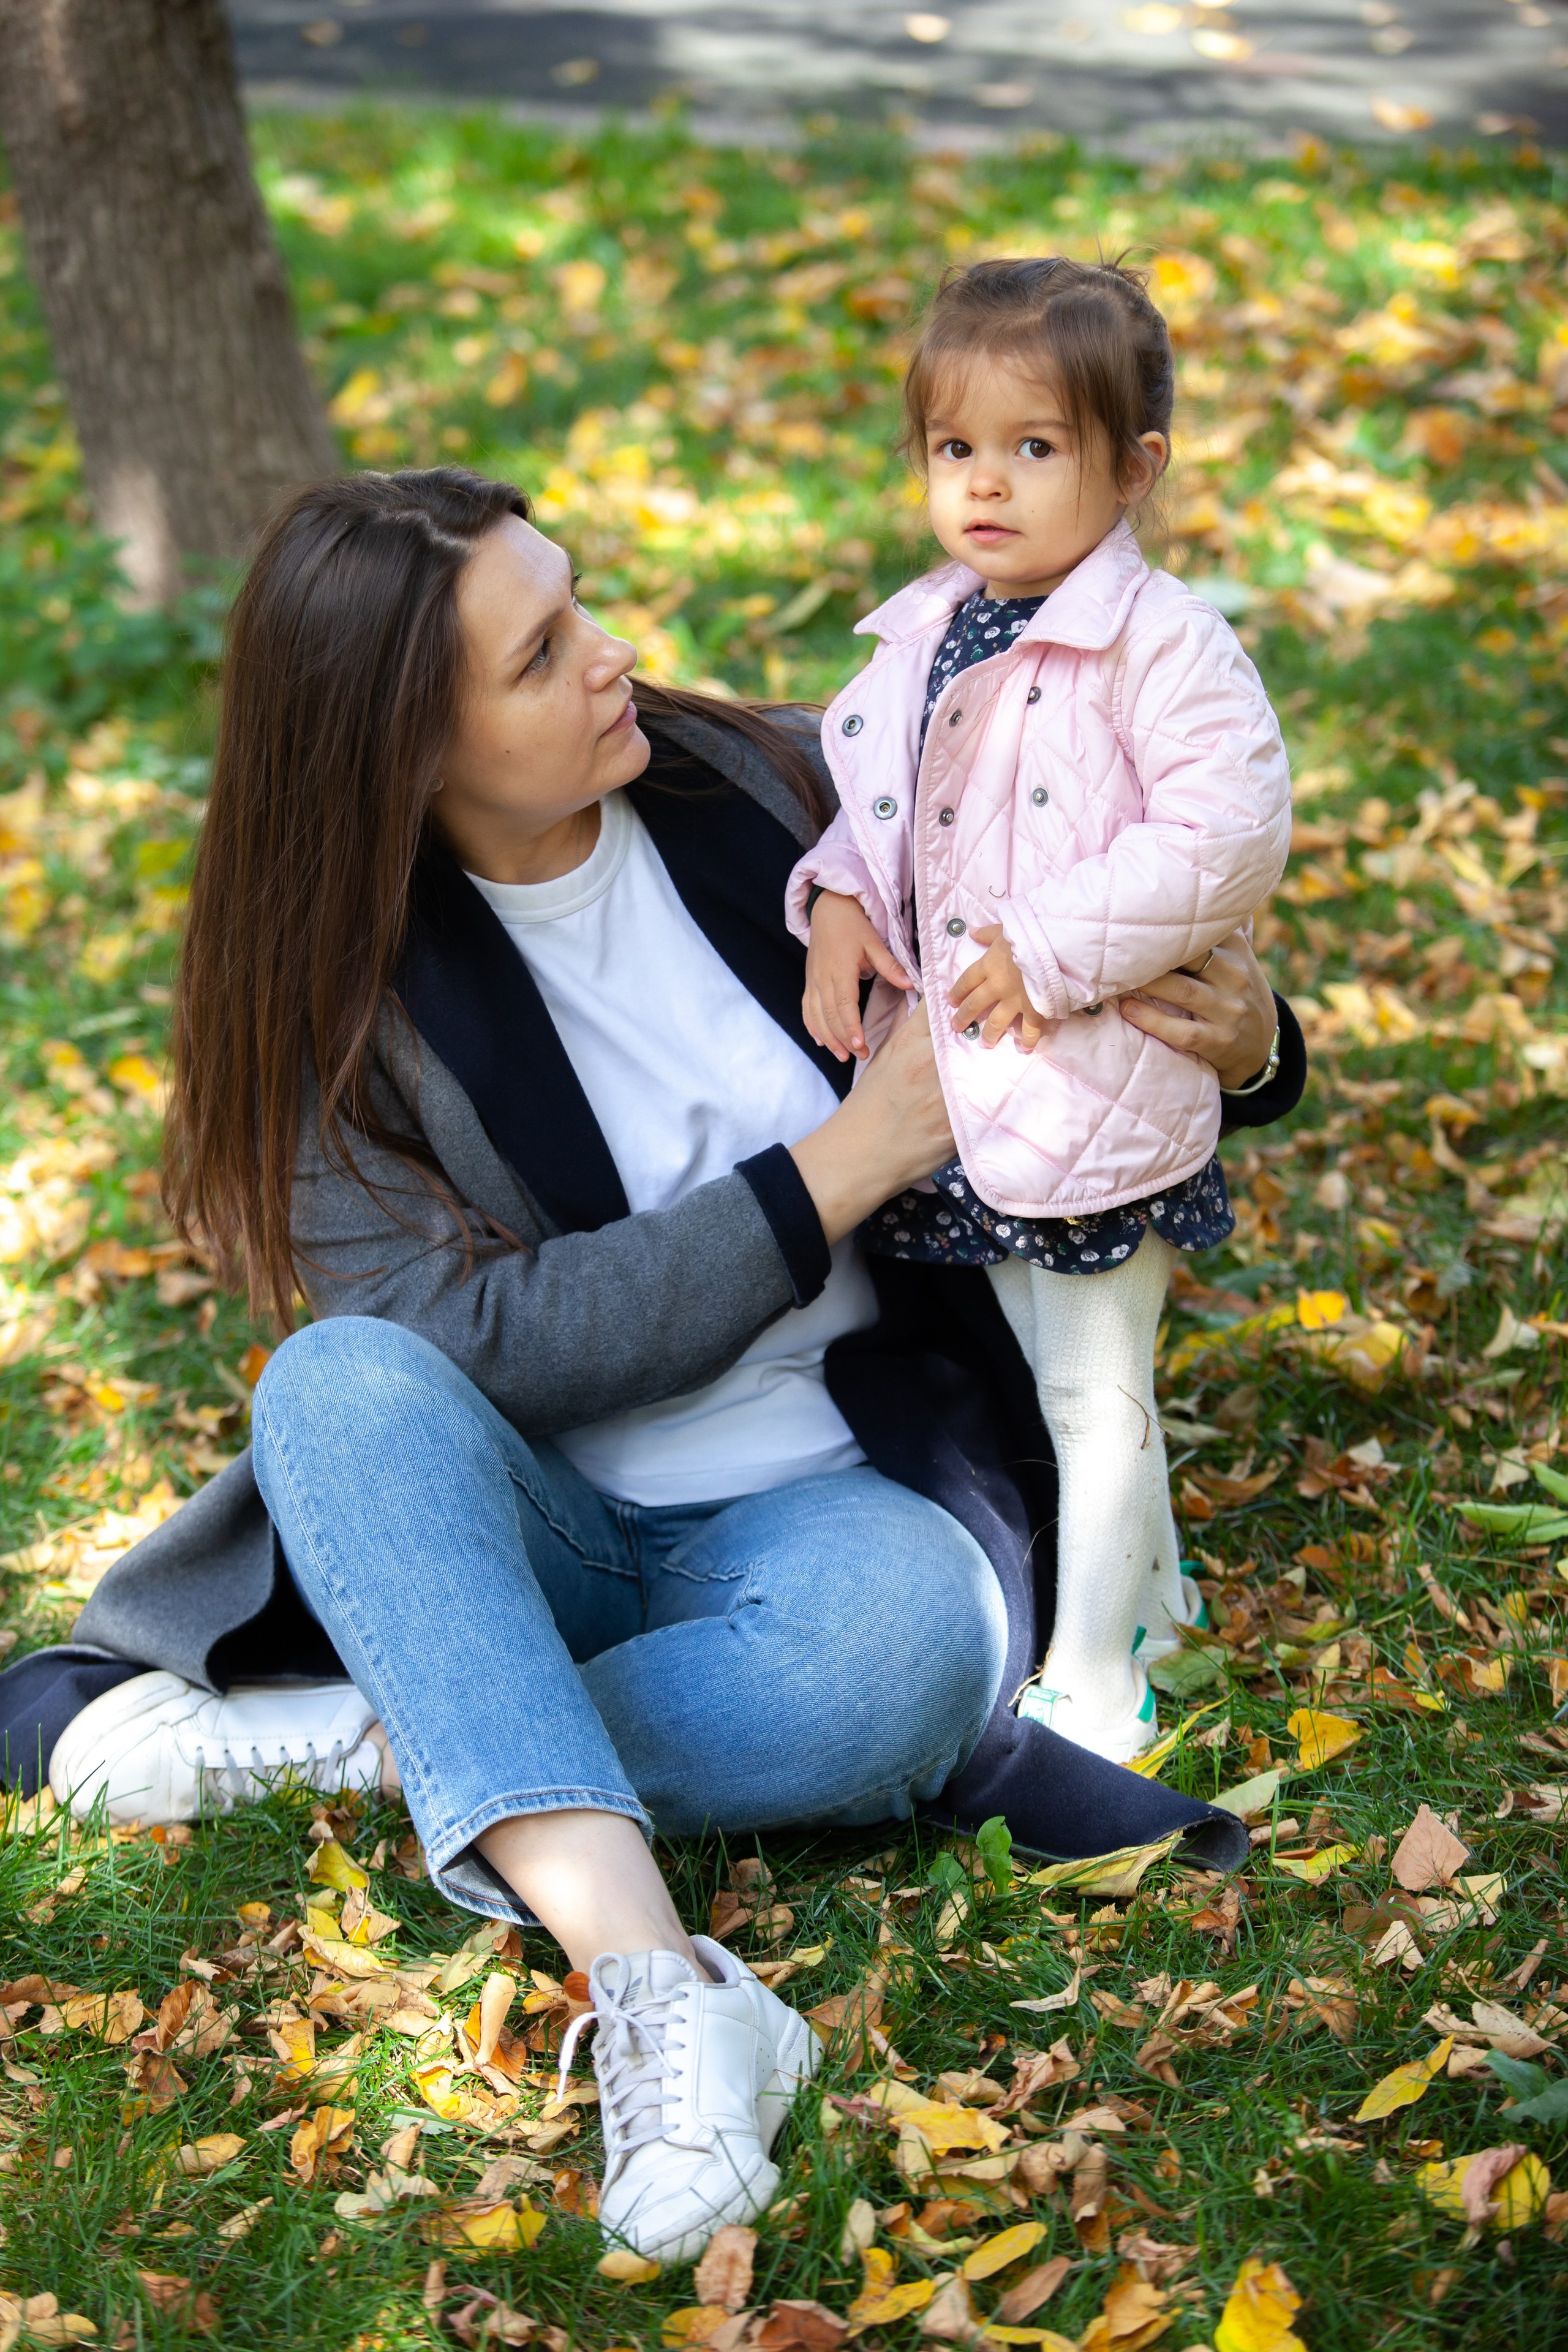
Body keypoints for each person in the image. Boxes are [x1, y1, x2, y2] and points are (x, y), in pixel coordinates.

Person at [1, 468, 1300, 2258]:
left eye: (581, 602)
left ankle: (392, 1742)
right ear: (404, 751)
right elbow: (469, 1348)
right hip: (540, 1529)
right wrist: (838, 1168)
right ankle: (668, 1994)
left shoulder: (783, 789)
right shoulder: (340, 1004)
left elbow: (1107, 906)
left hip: (839, 1513)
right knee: (336, 1384)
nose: (612, 658)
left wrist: (1255, 1033)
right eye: (541, 656)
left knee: (900, 1661)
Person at [791, 258, 1293, 1765]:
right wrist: (829, 902)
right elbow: (883, 822)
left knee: (1092, 1388)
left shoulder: (1162, 644)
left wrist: (1056, 943)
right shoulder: (924, 635)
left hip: (1087, 1088)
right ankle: (1157, 1607)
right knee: (1045, 1372)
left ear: (1132, 467)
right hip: (973, 1096)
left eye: (1034, 447)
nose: (986, 486)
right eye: (956, 449)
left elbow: (1222, 833)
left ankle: (1101, 1677)